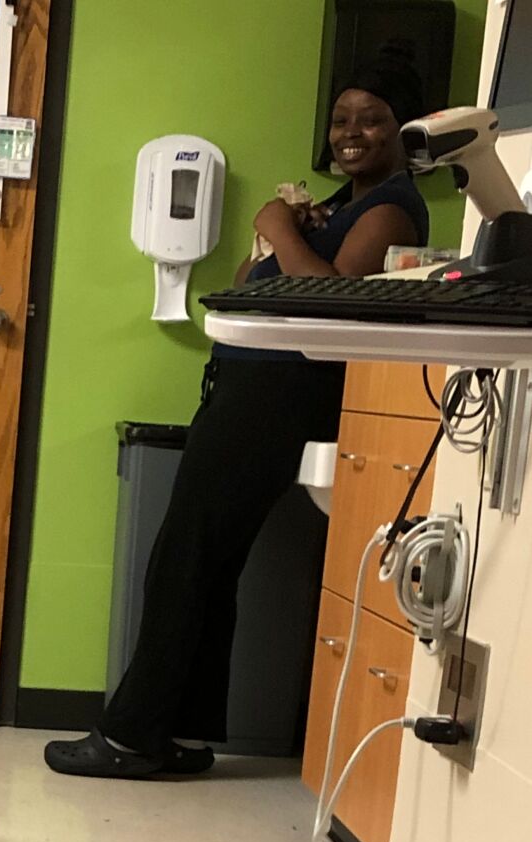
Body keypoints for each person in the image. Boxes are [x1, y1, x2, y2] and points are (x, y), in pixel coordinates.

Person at [46, 49, 429, 781]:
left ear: (399, 131)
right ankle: (164, 731)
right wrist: (277, 238)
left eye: (370, 120)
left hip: (275, 402)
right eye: (342, 118)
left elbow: (333, 305)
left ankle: (129, 737)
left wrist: (278, 226)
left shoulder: (390, 205)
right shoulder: (347, 206)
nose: (350, 131)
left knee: (185, 562)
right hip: (251, 393)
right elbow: (253, 286)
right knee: (200, 565)